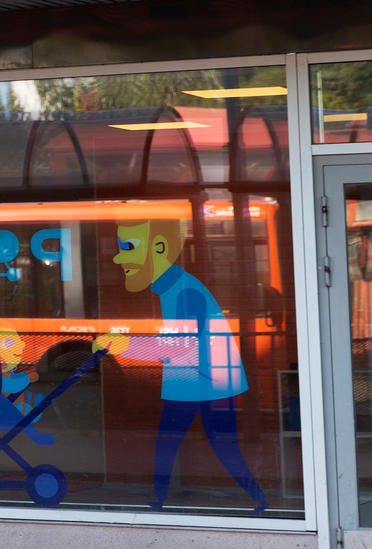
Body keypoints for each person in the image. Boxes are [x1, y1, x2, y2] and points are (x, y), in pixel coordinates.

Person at [107, 219, 266, 512]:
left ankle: (258, 497)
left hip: (207, 380)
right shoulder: (175, 287)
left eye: (128, 247)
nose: (118, 257)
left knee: (212, 443)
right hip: (197, 378)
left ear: (159, 248)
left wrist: (123, 345)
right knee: (187, 440)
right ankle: (160, 498)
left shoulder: (184, 291)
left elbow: (181, 345)